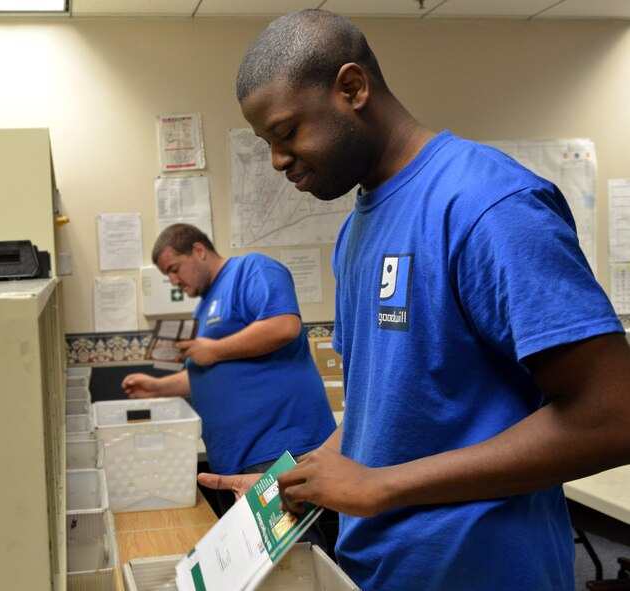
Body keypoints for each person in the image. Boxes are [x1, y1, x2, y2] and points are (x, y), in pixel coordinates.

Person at [198, 9, 630, 591]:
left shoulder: (487, 204)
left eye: (286, 132)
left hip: (482, 573)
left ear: (352, 88)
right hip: (379, 568)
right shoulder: (356, 231)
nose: (277, 160)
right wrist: (296, 479)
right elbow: (384, 411)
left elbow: (612, 417)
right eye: (267, 142)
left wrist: (384, 487)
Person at [121, 223, 336, 521]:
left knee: (293, 557)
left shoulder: (251, 270)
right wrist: (156, 387)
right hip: (233, 461)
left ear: (198, 251)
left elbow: (284, 325)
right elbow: (206, 375)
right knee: (259, 562)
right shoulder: (202, 309)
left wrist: (215, 350)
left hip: (277, 450)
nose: (173, 281)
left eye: (174, 268)